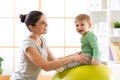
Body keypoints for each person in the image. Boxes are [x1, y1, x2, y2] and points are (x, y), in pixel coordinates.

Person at [10, 11, 89, 80]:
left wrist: (74, 55)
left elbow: (53, 61)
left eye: (46, 21)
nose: (47, 25)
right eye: (42, 23)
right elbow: (46, 66)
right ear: (32, 27)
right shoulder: (28, 45)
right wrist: (73, 58)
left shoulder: (42, 40)